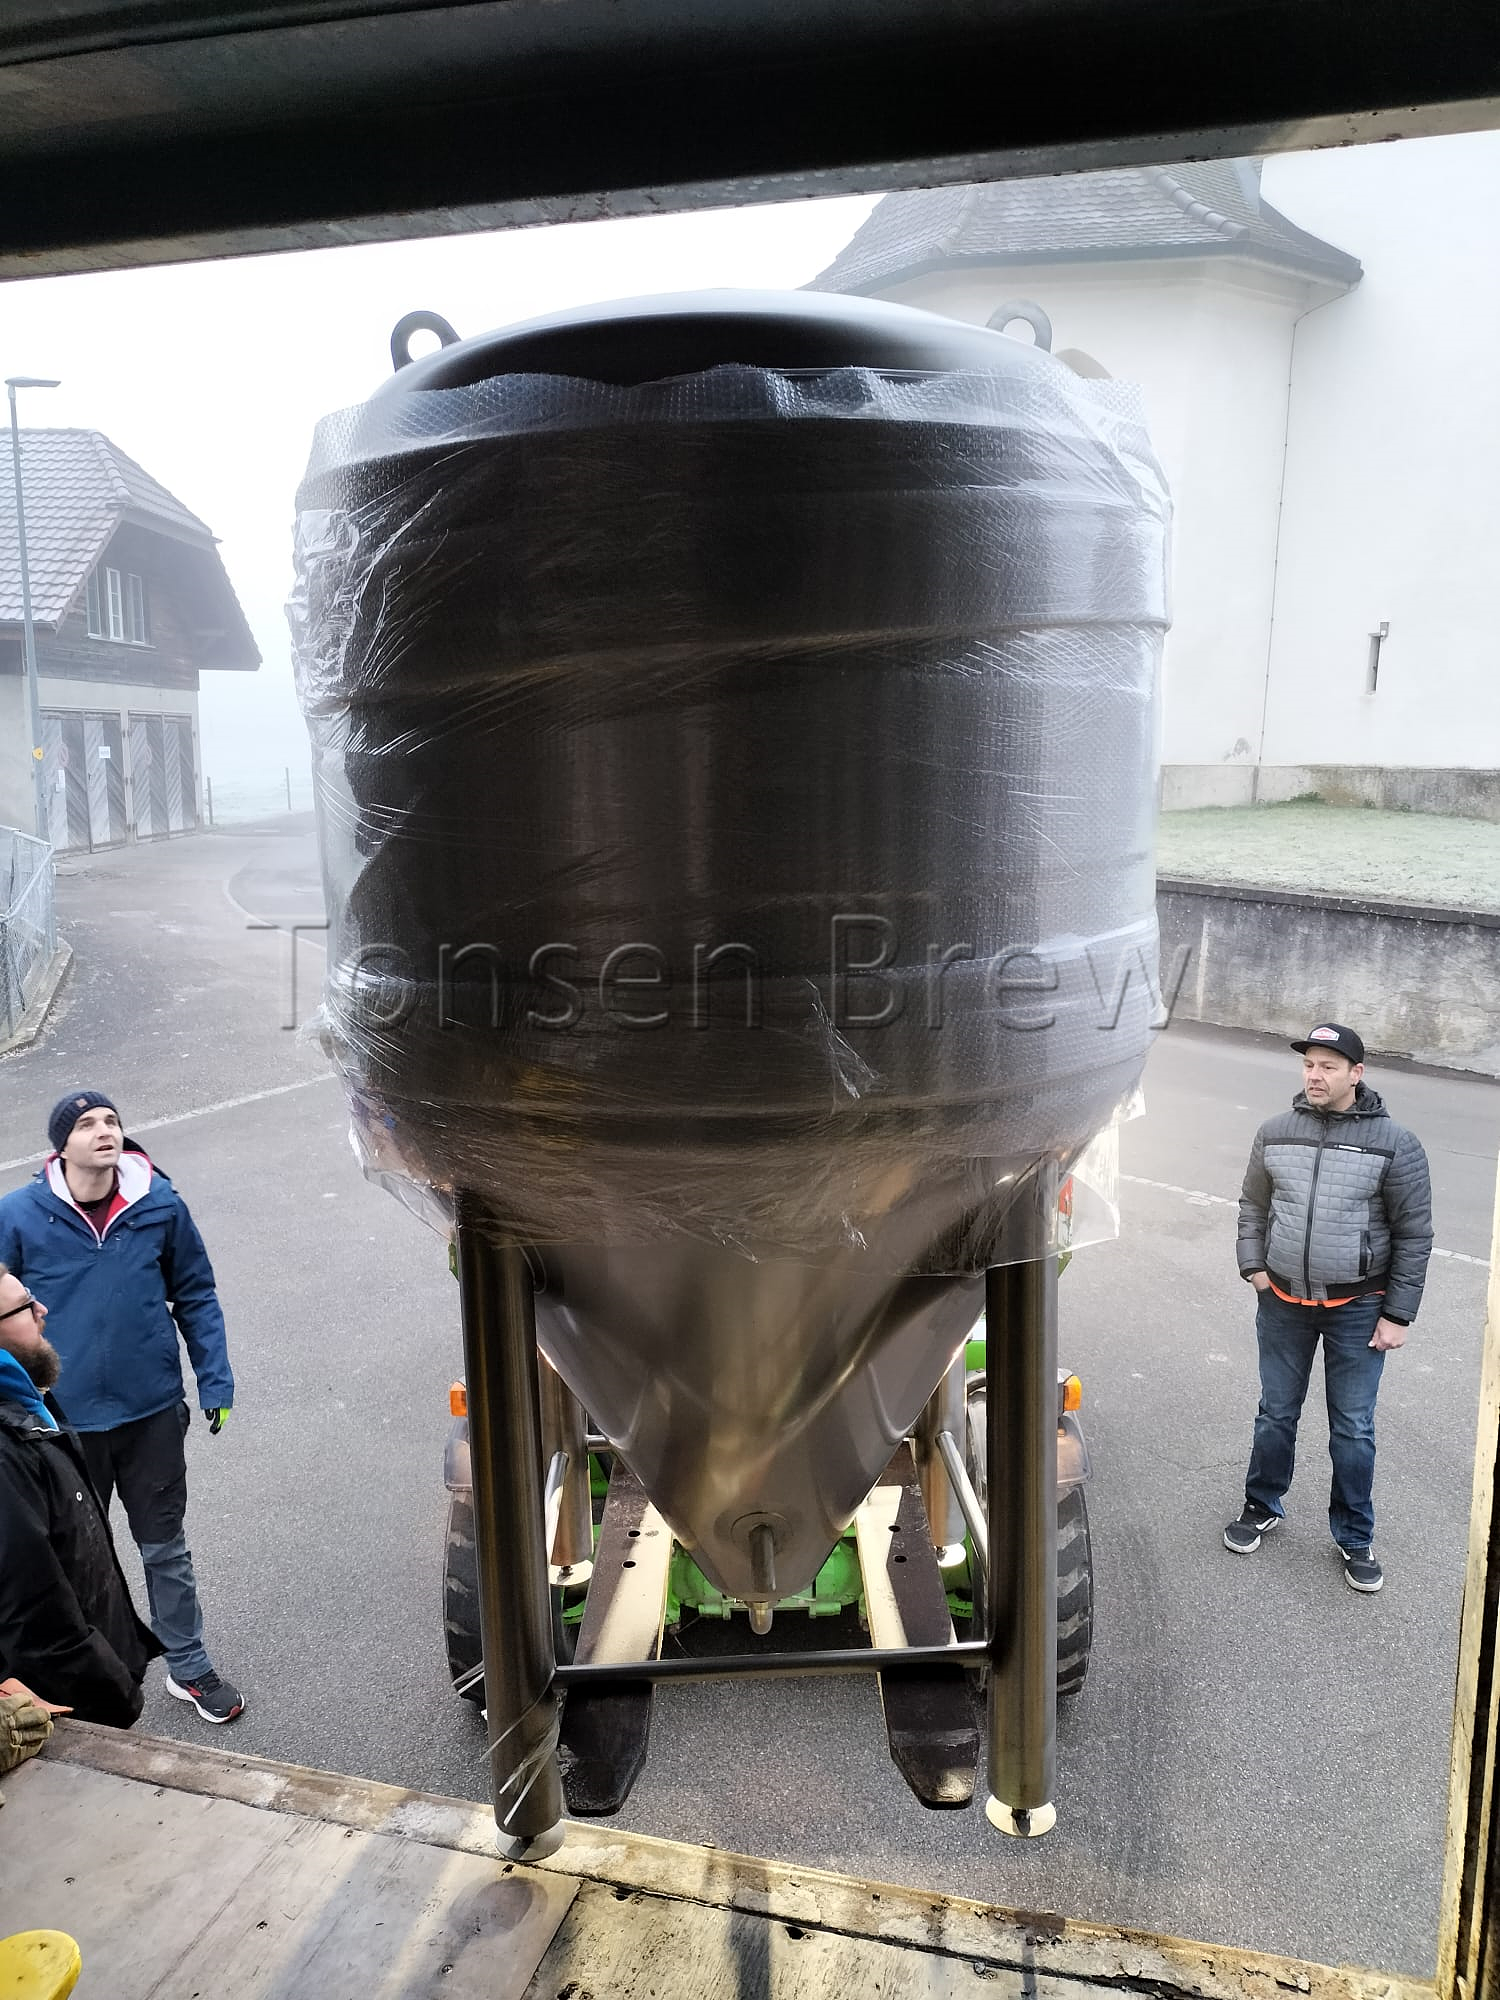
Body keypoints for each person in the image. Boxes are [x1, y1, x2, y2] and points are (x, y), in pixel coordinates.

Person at [0, 1091, 244, 1721]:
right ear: (61, 1146)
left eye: (111, 1121)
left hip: (151, 1413)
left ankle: (188, 1667)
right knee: (74, 1558)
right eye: (86, 1124)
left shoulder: (159, 1204)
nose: (104, 1131)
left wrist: (213, 1380)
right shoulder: (20, 1214)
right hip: (62, 1423)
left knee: (165, 1548)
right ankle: (92, 1677)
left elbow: (196, 1293)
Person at [1226, 1023, 1433, 1593]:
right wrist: (1255, 1268)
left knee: (1353, 1428)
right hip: (1284, 1302)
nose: (1315, 1075)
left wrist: (1398, 1314)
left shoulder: (1396, 1142)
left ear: (1357, 1074)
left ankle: (1354, 1534)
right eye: (1309, 1065)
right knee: (1275, 1413)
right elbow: (1253, 1206)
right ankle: (1262, 1503)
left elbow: (1414, 1235)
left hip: (1359, 1307)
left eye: (1329, 1066)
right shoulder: (1274, 1131)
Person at [0, 1262, 160, 1728]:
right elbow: (36, 1619)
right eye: (26, 1307)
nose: (43, 1309)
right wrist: (115, 1694)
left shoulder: (26, 1398)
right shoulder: (7, 1451)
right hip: (72, 1710)